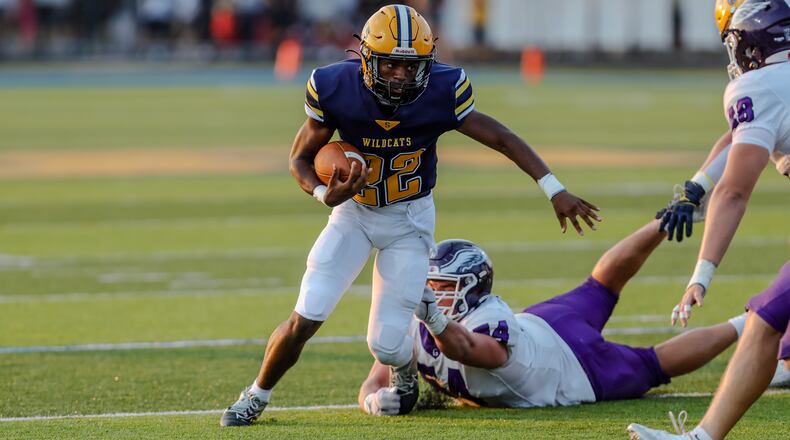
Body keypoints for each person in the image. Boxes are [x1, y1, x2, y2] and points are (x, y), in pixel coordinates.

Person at [220, 4, 599, 426]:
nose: (400, 76)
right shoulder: (334, 87)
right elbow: (299, 159)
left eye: (410, 67)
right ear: (365, 58)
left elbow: (502, 138)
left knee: (384, 343)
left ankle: (403, 372)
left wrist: (554, 188)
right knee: (306, 314)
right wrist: (325, 193)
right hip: (354, 214)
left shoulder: (442, 89)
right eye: (390, 65)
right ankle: (256, 394)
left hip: (409, 222)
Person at [358, 219, 779, 414]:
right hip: (544, 322)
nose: (430, 292)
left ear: (471, 287)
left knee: (654, 364)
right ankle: (669, 218)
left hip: (571, 369)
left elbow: (470, 349)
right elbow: (379, 371)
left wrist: (432, 317)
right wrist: (373, 400)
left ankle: (754, 321)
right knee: (601, 284)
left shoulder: (486, 320)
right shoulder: (424, 317)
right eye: (428, 284)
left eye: (442, 286)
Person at [627, 1, 790, 438]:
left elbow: (735, 190)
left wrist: (702, 273)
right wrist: (696, 187)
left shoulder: (758, 86)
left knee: (767, 319)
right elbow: (741, 135)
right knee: (773, 316)